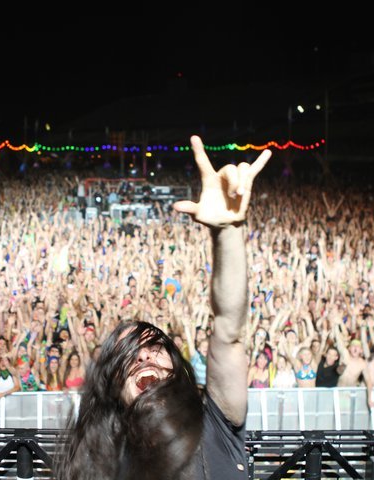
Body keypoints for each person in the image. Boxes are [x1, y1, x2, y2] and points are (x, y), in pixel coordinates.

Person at [58, 135, 271, 480]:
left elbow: (228, 328)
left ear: (177, 366)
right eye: (128, 355)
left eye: (155, 347)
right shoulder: (104, 462)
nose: (143, 356)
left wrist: (228, 232)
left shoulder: (215, 421)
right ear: (111, 386)